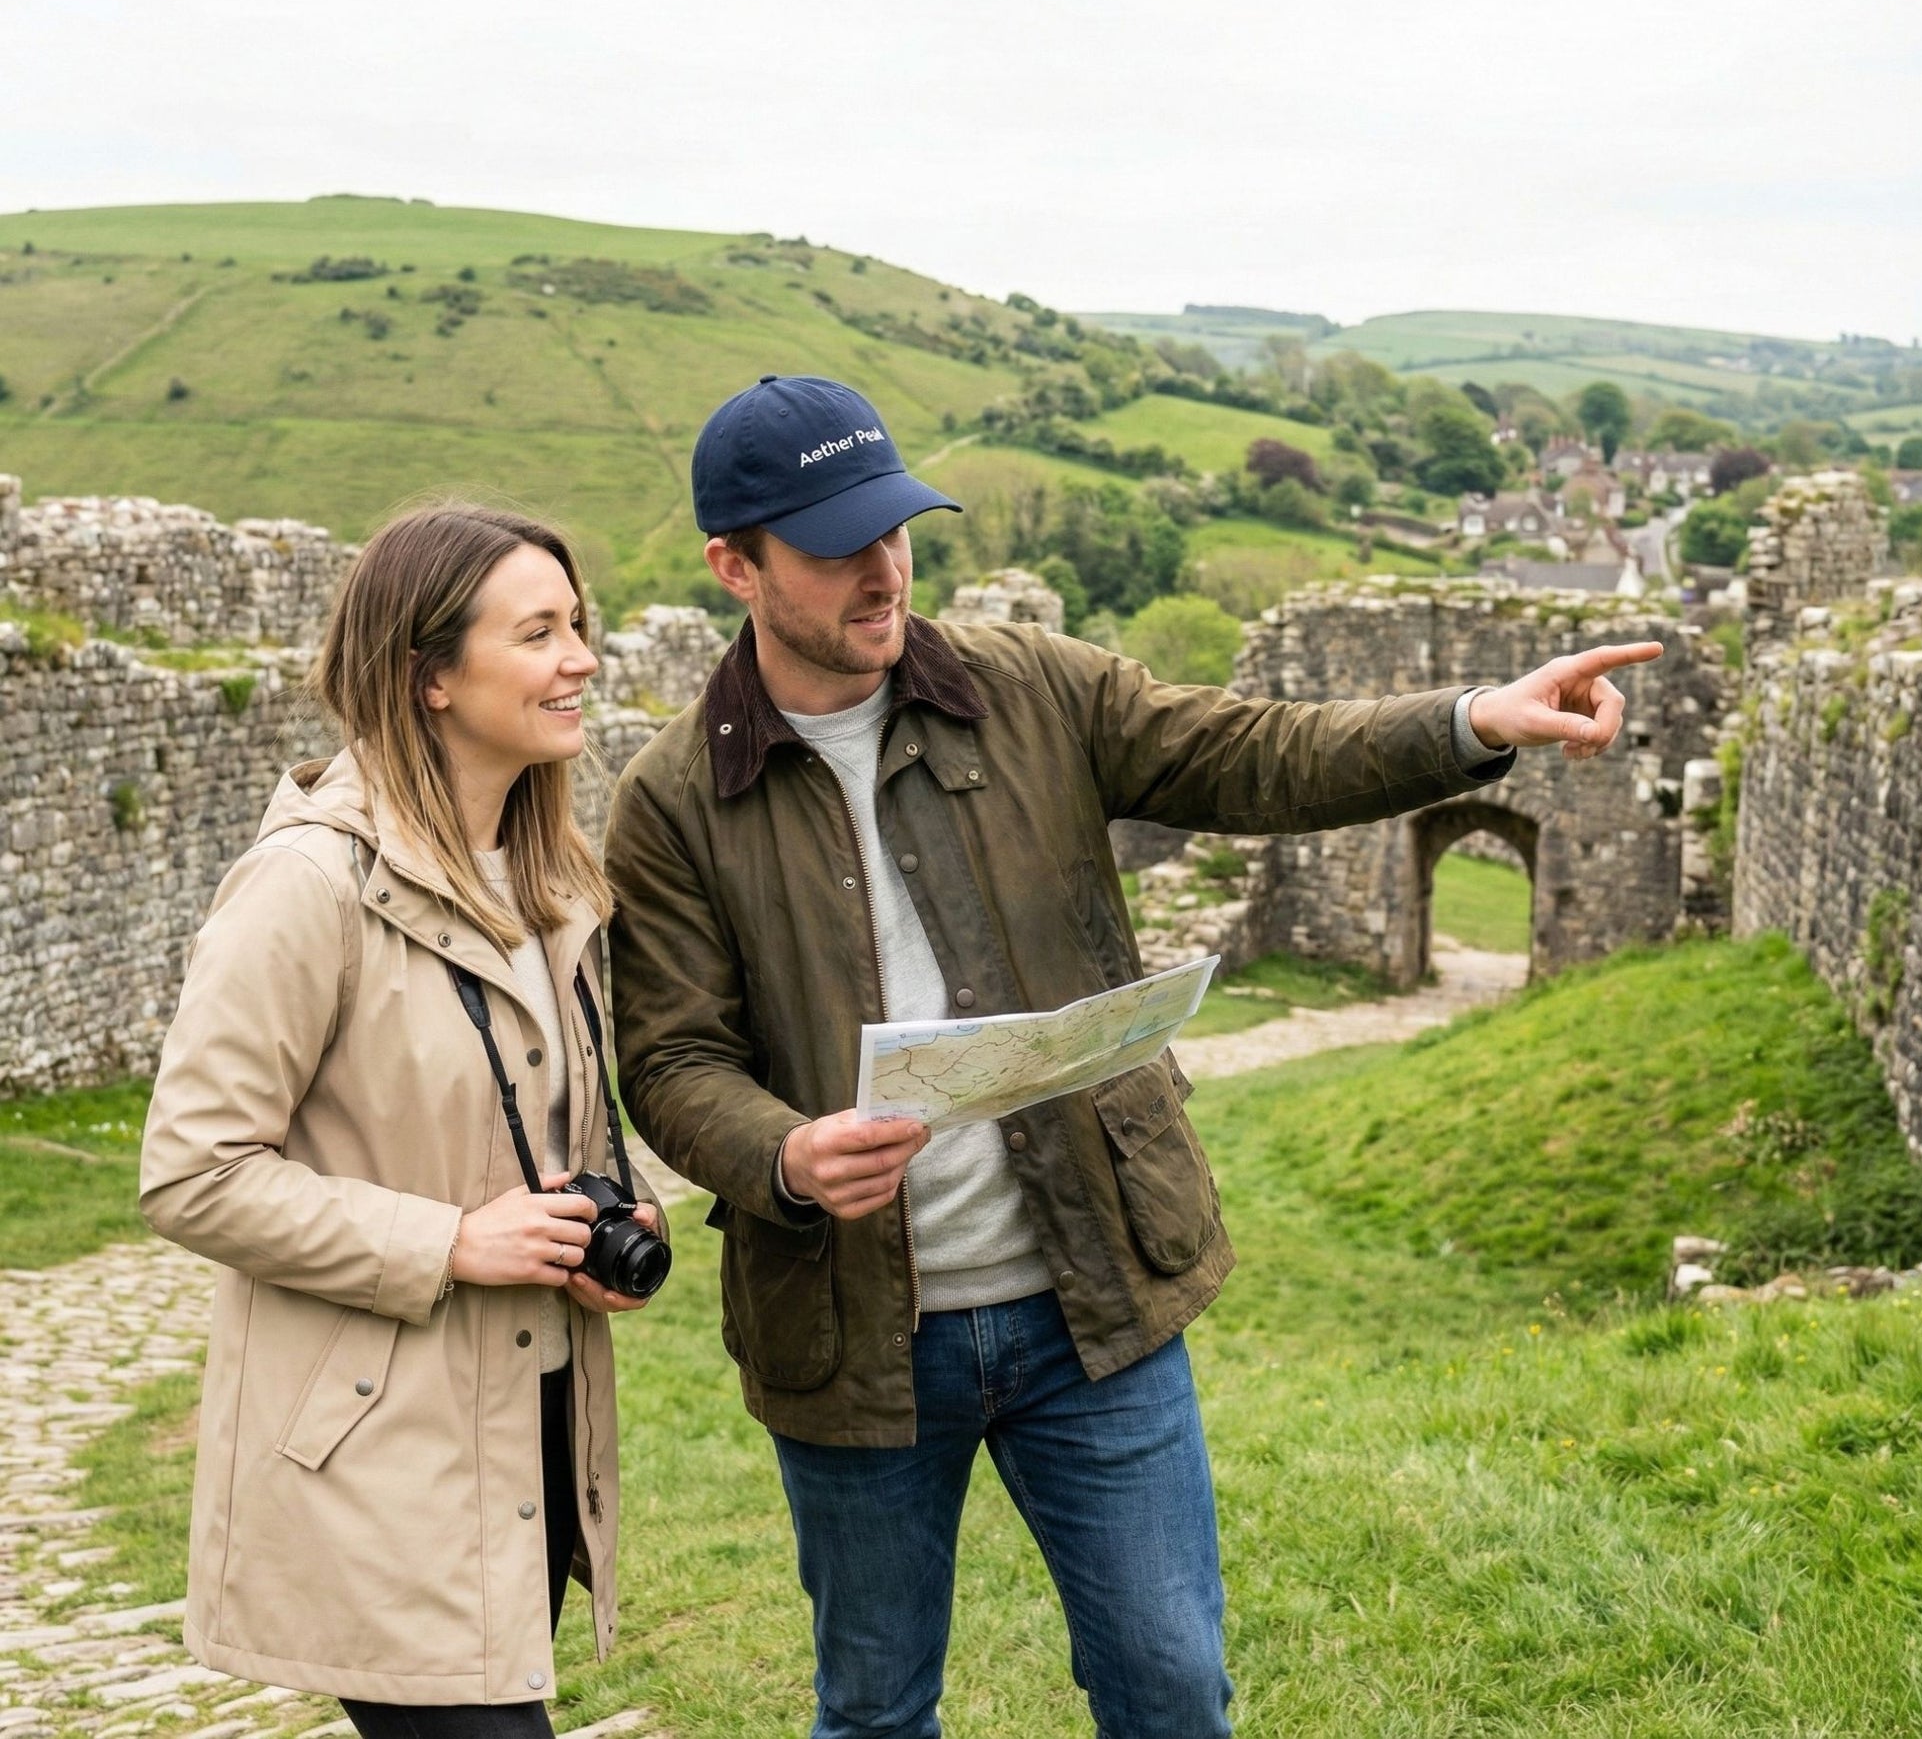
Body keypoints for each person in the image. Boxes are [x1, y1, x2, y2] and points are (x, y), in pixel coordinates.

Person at [603, 374, 1660, 1739]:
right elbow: (675, 1058)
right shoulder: (672, 799)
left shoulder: (1027, 684)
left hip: (1088, 1300)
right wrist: (782, 1154)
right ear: (734, 566)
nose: (882, 570)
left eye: (895, 528)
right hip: (854, 1334)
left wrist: (1466, 724)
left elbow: (1255, 754)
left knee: (1169, 1687)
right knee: (871, 1708)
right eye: (832, 546)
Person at [140, 504, 662, 1737]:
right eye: (538, 632)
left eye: (577, 624)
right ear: (428, 674)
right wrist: (448, 1242)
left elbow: (523, 1137)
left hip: (526, 1429)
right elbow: (190, 1170)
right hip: (381, 1454)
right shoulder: (307, 883)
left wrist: (591, 1224)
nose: (581, 657)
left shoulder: (549, 882)